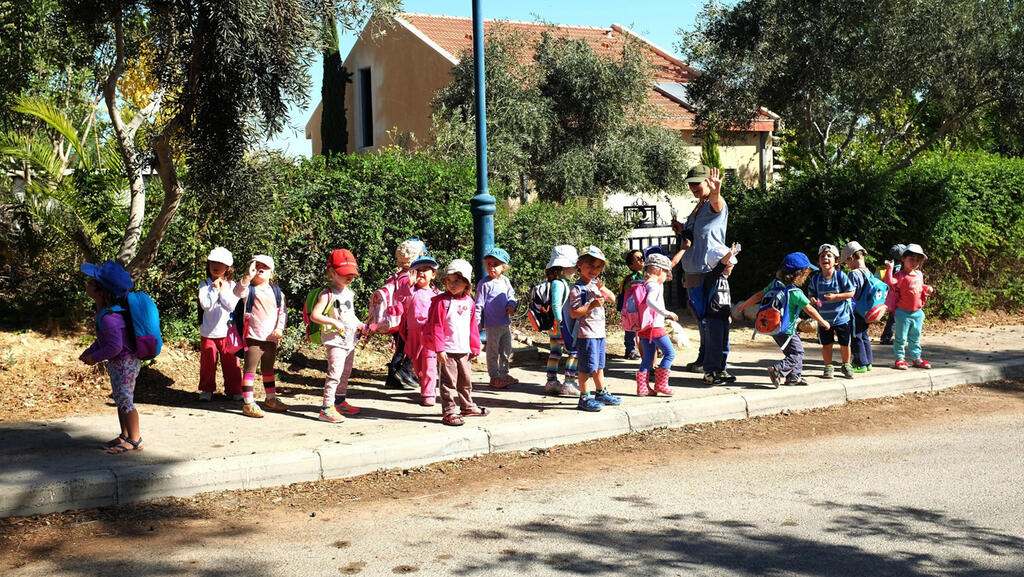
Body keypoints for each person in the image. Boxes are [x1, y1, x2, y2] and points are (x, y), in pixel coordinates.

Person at [737, 252, 831, 387]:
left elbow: (758, 296)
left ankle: (793, 378)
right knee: (798, 353)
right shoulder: (795, 293)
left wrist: (744, 305)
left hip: (775, 328)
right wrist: (823, 322)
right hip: (787, 330)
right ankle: (777, 370)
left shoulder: (774, 284)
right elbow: (810, 310)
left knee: (791, 352)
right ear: (800, 274)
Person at [79, 260, 145, 454]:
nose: (87, 284)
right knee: (120, 399)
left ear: (101, 291)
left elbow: (114, 346)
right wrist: (90, 351)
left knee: (125, 400)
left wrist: (95, 357)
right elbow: (104, 340)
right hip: (120, 363)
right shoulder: (105, 314)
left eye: (91, 283)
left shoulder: (110, 318)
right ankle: (125, 435)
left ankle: (135, 439)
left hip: (125, 363)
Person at [672, 165, 728, 373]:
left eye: (697, 182)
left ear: (708, 182)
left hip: (709, 271)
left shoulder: (715, 203)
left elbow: (717, 203)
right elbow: (697, 237)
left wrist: (716, 192)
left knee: (712, 319)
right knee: (701, 319)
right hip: (693, 270)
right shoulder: (698, 207)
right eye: (690, 183)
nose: (693, 187)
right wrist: (682, 231)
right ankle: (705, 358)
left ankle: (713, 363)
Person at [425, 259, 485, 426]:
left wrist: (475, 346)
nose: (451, 284)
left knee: (465, 381)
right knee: (448, 383)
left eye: (456, 281)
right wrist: (439, 349)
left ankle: (467, 406)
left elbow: (472, 326)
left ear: (466, 283)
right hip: (448, 350)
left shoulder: (469, 302)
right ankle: (449, 411)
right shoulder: (442, 302)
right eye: (449, 280)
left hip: (464, 350)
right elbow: (437, 326)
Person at [309, 249, 366, 423]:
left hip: (350, 339)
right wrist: (333, 322)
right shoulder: (327, 294)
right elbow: (315, 315)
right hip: (335, 340)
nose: (350, 277)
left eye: (352, 273)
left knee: (345, 372)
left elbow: (350, 315)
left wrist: (360, 325)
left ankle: (339, 401)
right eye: (345, 273)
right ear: (333, 272)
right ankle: (326, 408)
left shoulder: (349, 293)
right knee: (334, 373)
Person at [232, 255, 288, 417]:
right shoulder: (249, 290)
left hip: (271, 339)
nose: (260, 269)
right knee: (250, 370)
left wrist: (280, 329)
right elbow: (237, 292)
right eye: (256, 266)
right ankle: (248, 403)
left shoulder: (277, 293)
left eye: (265, 266)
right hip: (253, 338)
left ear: (272, 272)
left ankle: (270, 398)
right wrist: (247, 277)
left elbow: (282, 313)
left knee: (268, 370)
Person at [568, 246, 621, 412]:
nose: (594, 270)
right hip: (586, 334)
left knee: (599, 365)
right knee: (585, 367)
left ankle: (601, 392)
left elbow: (612, 298)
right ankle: (584, 397)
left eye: (598, 267)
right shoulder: (577, 289)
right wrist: (591, 305)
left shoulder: (595, 286)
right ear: (580, 265)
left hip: (599, 333)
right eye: (590, 265)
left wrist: (601, 288)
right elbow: (574, 312)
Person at [197, 247, 242, 401]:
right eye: (213, 263)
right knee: (208, 364)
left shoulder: (232, 285)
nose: (215, 266)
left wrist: (222, 290)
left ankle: (235, 390)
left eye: (220, 263)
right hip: (208, 333)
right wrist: (214, 290)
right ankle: (206, 390)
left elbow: (233, 306)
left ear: (228, 267)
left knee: (231, 363)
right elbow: (206, 305)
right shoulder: (204, 285)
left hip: (228, 333)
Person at [382, 239, 426, 390]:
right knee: (410, 348)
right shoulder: (408, 277)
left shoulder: (396, 275)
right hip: (405, 320)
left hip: (397, 318)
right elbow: (406, 298)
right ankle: (403, 373)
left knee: (400, 349)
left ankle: (393, 379)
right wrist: (411, 285)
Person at [808, 244, 856, 379]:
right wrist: (812, 299)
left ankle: (846, 364)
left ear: (836, 261)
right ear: (819, 262)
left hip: (842, 318)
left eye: (829, 256)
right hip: (824, 320)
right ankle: (828, 366)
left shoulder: (841, 276)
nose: (825, 258)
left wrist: (836, 297)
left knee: (844, 344)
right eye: (822, 256)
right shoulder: (816, 279)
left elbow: (851, 292)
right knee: (826, 344)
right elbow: (811, 294)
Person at [884, 244, 934, 370]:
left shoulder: (919, 274)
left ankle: (916, 358)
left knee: (915, 338)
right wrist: (889, 268)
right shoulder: (900, 275)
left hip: (917, 312)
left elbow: (920, 287)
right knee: (901, 338)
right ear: (903, 259)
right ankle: (899, 359)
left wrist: (927, 288)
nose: (914, 262)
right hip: (903, 313)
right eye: (911, 259)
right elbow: (889, 283)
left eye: (917, 260)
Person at [635, 253, 678, 396]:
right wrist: (666, 313)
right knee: (670, 353)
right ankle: (661, 384)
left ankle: (642, 388)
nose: (666, 276)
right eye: (666, 272)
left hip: (645, 327)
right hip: (655, 327)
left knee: (647, 358)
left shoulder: (644, 283)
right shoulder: (655, 286)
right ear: (659, 270)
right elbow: (650, 301)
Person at [475, 247, 518, 389]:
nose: (491, 267)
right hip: (492, 325)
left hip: (505, 323)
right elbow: (478, 304)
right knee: (492, 351)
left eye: (495, 264)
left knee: (506, 350)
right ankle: (494, 377)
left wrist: (511, 304)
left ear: (503, 267)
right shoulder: (484, 283)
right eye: (489, 264)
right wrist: (477, 322)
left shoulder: (505, 281)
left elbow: (511, 295)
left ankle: (504, 374)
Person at [403, 254, 441, 406]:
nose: (421, 273)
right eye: (418, 270)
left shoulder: (436, 294)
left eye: (425, 270)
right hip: (413, 333)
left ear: (433, 274)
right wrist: (408, 284)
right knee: (417, 364)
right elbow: (399, 298)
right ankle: (424, 384)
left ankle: (429, 393)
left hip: (429, 333)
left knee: (429, 362)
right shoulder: (410, 291)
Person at [543, 245, 580, 397]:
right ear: (563, 268)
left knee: (555, 352)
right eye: (573, 266)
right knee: (574, 351)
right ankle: (569, 382)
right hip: (560, 325)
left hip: (554, 326)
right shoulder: (559, 283)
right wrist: (560, 322)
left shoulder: (557, 282)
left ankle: (551, 381)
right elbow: (556, 304)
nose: (575, 270)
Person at [701, 242, 740, 385]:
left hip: (723, 317)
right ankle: (710, 372)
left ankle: (721, 369)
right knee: (714, 346)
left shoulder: (724, 279)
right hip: (713, 317)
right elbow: (719, 266)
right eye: (729, 265)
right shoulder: (712, 277)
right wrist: (729, 254)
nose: (732, 268)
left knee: (724, 346)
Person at [842, 241, 875, 372]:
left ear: (851, 258)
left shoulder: (854, 274)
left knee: (856, 336)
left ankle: (860, 363)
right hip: (867, 311)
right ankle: (868, 362)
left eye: (846, 262)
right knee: (864, 335)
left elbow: (851, 293)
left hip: (856, 311)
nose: (847, 265)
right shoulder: (869, 273)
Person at [616, 249, 645, 360]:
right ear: (631, 265)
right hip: (631, 309)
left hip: (643, 307)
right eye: (638, 258)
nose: (641, 259)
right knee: (630, 329)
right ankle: (630, 350)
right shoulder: (629, 279)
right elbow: (624, 295)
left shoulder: (648, 275)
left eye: (642, 257)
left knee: (645, 328)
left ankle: (648, 348)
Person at [879, 243, 907, 346]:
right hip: (897, 297)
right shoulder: (898, 269)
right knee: (894, 318)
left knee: (893, 317)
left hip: (892, 296)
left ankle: (887, 336)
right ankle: (886, 337)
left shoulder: (892, 266)